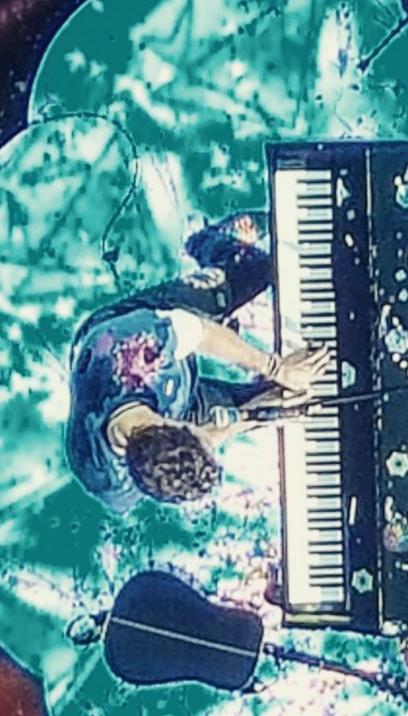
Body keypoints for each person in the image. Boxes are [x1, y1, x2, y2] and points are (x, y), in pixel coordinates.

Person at [66, 212, 331, 510]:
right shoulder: (111, 484)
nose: (213, 437)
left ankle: (203, 240)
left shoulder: (136, 349)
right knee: (281, 400)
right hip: (172, 400)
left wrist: (276, 367)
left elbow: (198, 331)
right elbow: (208, 437)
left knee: (255, 268)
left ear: (176, 424)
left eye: (204, 436)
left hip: (134, 330)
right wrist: (251, 416)